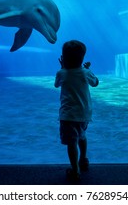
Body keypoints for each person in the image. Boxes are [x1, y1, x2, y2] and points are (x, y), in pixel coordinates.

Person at [54, 40, 99, 181]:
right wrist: (88, 70)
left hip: (68, 115)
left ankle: (75, 171)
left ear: (63, 58)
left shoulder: (61, 73)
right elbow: (95, 82)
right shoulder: (86, 73)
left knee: (71, 143)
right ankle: (83, 160)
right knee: (82, 136)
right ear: (82, 57)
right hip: (84, 114)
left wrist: (63, 67)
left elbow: (56, 85)